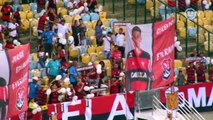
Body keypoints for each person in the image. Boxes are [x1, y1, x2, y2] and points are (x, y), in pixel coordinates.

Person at [126, 26, 152, 91]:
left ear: (140, 38)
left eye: (138, 36)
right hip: (133, 90)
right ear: (132, 39)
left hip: (144, 90)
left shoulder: (147, 55)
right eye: (134, 37)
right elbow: (128, 75)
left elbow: (150, 74)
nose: (136, 39)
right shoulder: (130, 55)